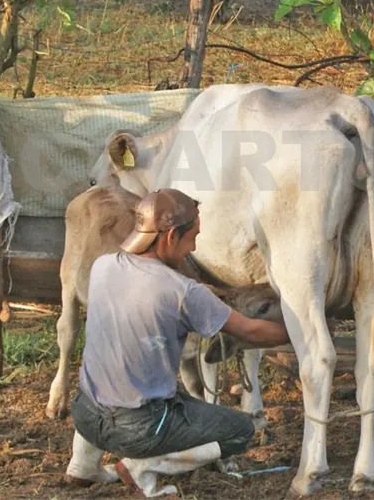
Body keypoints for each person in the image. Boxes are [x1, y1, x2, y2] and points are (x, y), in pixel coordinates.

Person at [63, 188, 291, 498]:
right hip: (138, 430)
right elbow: (251, 331)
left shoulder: (104, 266)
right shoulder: (184, 291)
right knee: (239, 430)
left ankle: (82, 464)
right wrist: (303, 329)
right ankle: (142, 466)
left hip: (85, 415)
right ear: (170, 237)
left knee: (113, 375)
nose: (194, 246)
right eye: (193, 236)